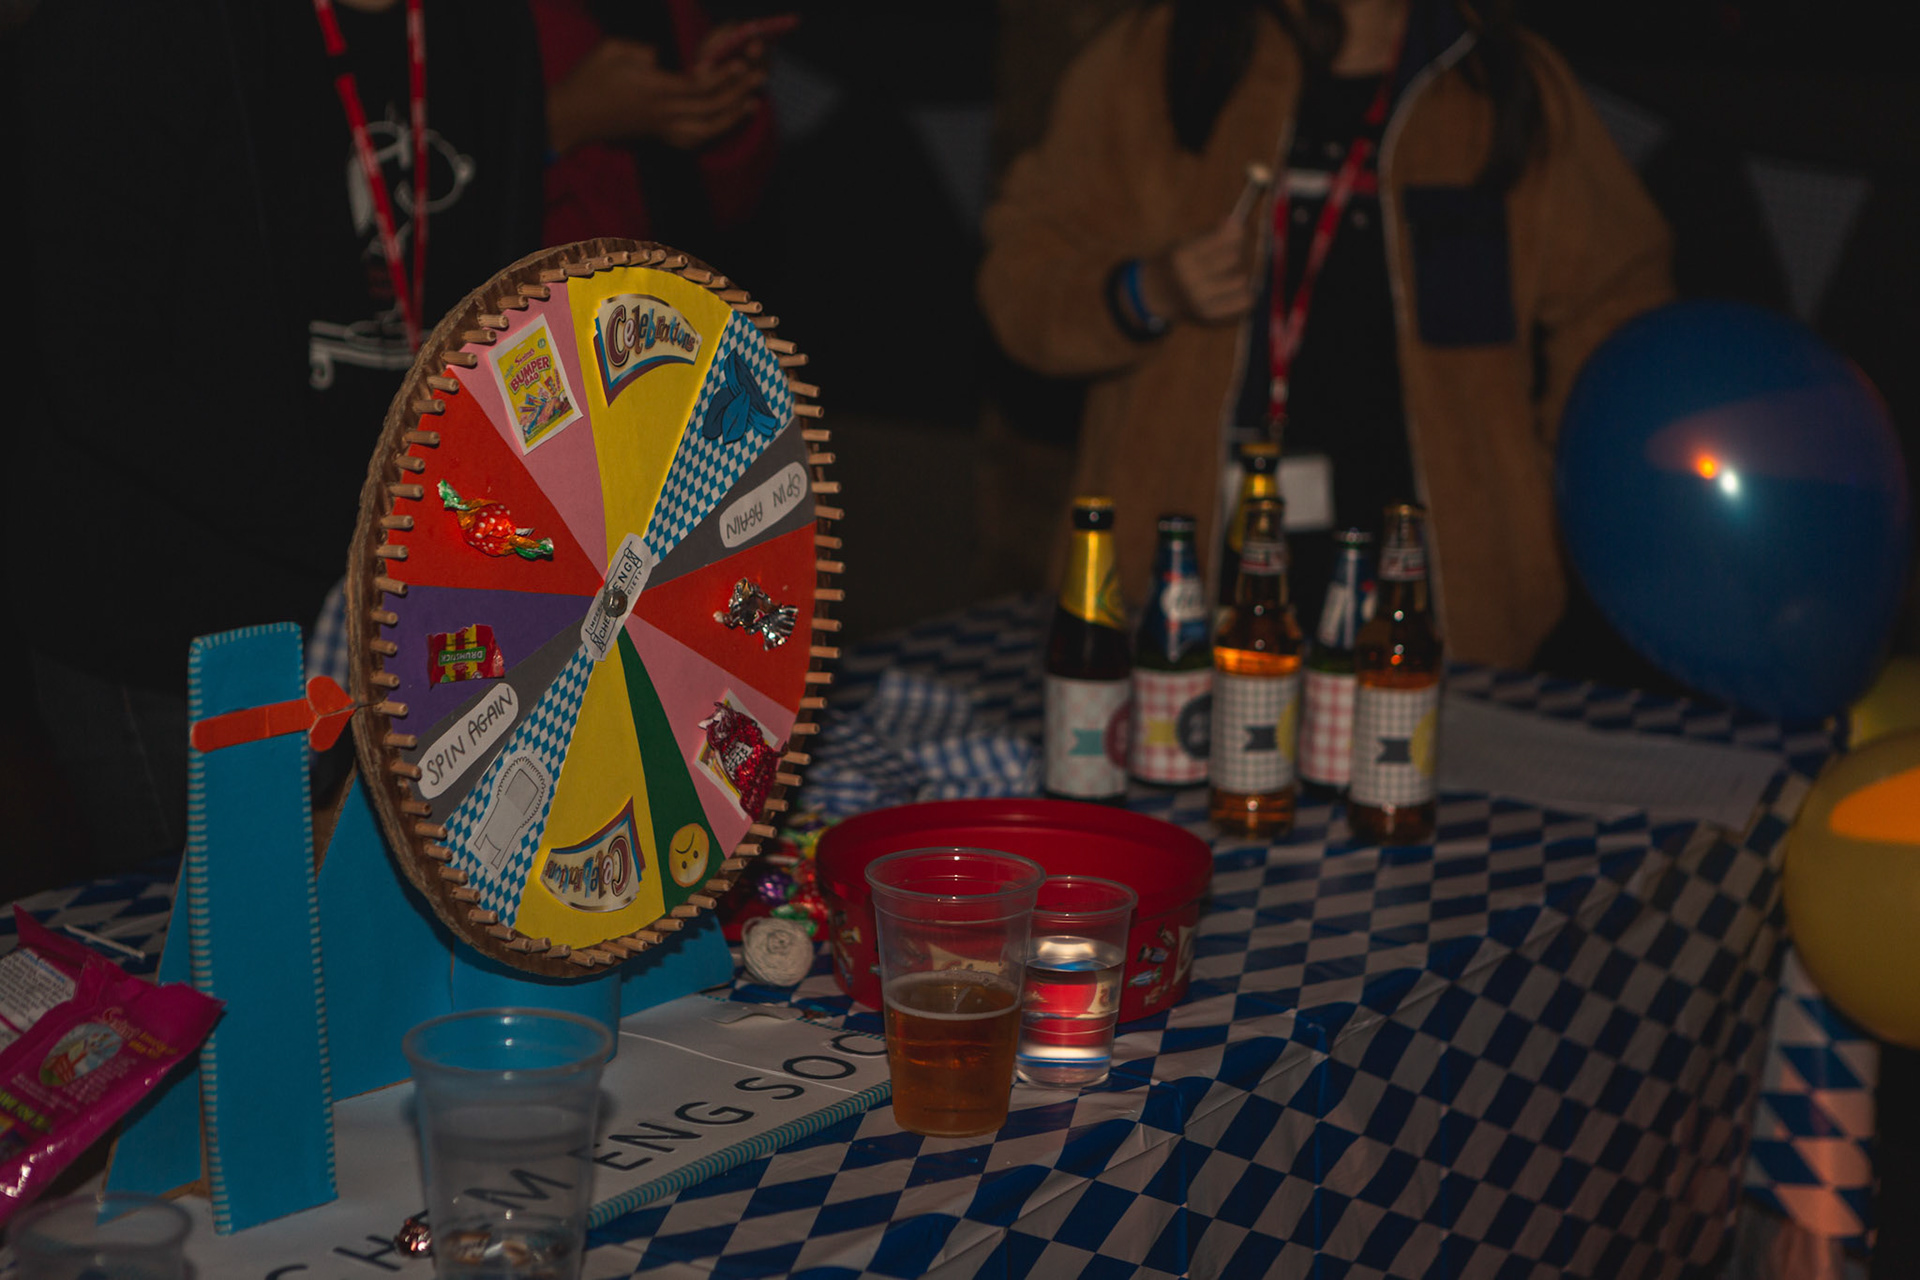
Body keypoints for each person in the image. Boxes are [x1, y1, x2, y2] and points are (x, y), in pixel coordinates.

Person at [6, 0, 546, 878]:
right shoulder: (130, 32)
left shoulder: (487, 26)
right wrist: (383, 524)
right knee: (223, 934)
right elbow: (97, 368)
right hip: (177, 623)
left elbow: (505, 307)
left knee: (413, 914)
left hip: (409, 588)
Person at [977, 0, 1672, 670]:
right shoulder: (1163, 57)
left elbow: (1619, 299)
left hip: (1444, 607)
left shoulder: (1501, 81)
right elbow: (1022, 278)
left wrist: (1545, 504)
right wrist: (1149, 290)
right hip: (1182, 593)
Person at [532, 0, 782, 265]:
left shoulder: (662, 12)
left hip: (671, 269)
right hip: (548, 279)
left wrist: (721, 95)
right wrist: (559, 121)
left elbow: (727, 211)